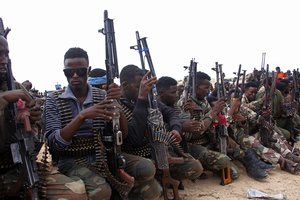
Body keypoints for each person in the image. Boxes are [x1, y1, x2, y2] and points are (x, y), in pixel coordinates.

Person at [119, 65, 203, 199]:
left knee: (194, 167)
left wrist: (176, 128)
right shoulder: (118, 106)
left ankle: (159, 177)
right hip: (135, 159)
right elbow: (133, 140)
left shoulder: (148, 101)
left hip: (155, 153)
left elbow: (170, 113)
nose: (143, 91)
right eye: (138, 87)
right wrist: (141, 100)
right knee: (154, 192)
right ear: (124, 85)